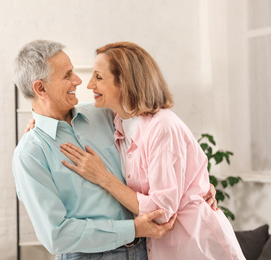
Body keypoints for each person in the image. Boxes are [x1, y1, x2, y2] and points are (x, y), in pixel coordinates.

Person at [13, 39, 217, 259]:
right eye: (67, 75)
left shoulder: (104, 113)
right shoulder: (30, 154)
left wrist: (194, 184)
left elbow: (164, 141)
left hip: (145, 249)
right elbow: (56, 235)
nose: (79, 80)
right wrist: (133, 229)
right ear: (40, 88)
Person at [60, 42, 245, 259]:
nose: (90, 84)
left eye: (99, 77)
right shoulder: (119, 120)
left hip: (197, 247)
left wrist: (103, 178)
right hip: (163, 248)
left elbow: (161, 212)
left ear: (126, 83)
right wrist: (37, 123)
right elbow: (64, 113)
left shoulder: (163, 128)